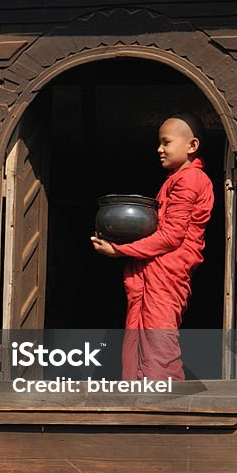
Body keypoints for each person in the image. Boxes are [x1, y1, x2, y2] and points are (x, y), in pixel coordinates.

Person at [91, 114, 214, 381]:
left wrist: (120, 250)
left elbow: (171, 237)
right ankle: (138, 407)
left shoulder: (191, 179)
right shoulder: (174, 179)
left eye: (166, 142)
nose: (159, 149)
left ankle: (165, 415)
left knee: (159, 349)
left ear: (192, 146)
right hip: (153, 272)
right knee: (136, 345)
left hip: (167, 273)